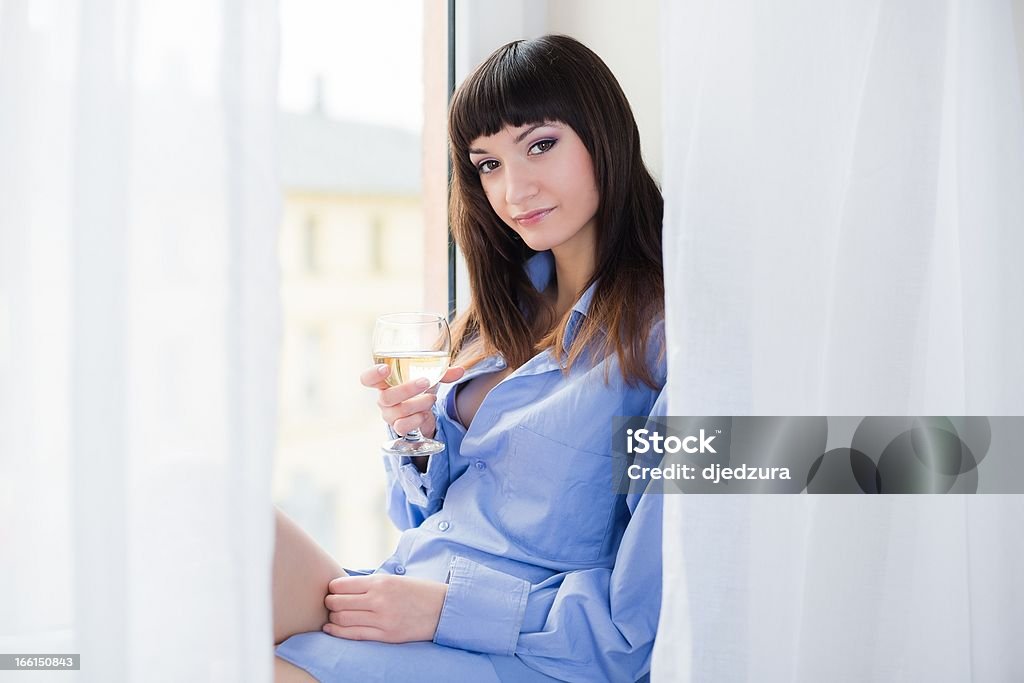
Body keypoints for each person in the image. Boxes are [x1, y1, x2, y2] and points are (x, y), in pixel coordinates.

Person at [272, 34, 667, 683]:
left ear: (604, 135)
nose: (514, 190)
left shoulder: (665, 344)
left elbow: (637, 633)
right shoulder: (494, 319)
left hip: (523, 652)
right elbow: (429, 518)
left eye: (541, 144)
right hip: (405, 595)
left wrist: (446, 609)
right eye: (487, 164)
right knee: (201, 508)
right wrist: (417, 438)